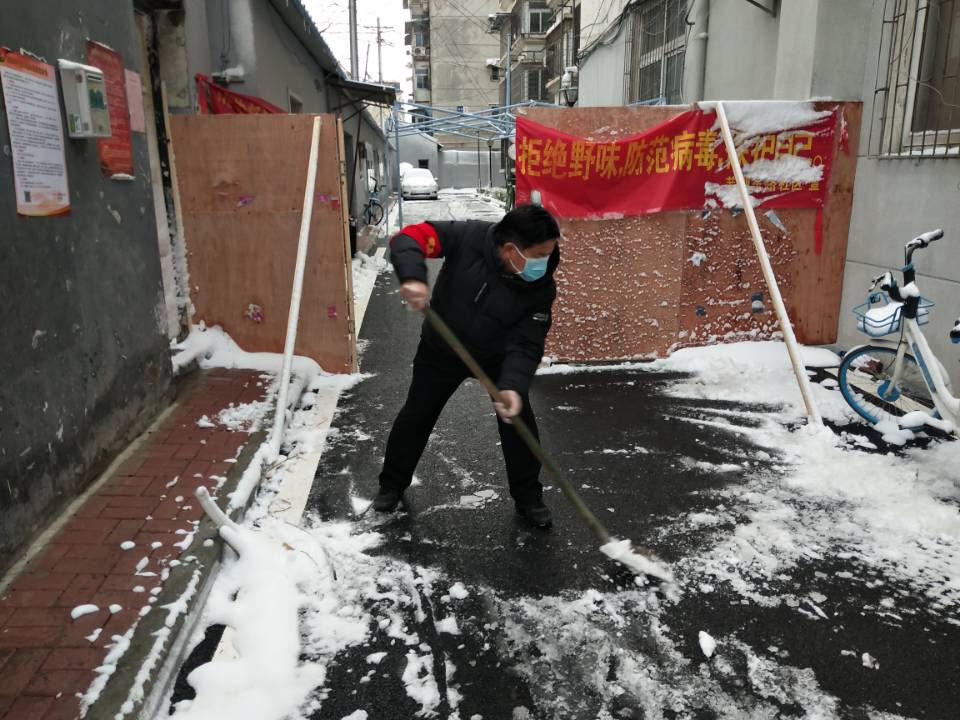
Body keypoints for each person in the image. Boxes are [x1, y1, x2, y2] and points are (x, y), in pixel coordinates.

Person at [373, 204, 562, 528]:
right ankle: (391, 485)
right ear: (510, 250)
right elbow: (409, 238)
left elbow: (527, 342)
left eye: (549, 253)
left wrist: (512, 386)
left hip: (496, 359)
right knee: (416, 416)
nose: (545, 263)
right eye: (539, 255)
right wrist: (413, 278)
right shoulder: (468, 236)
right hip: (441, 351)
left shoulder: (541, 287)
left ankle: (528, 498)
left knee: (518, 422)